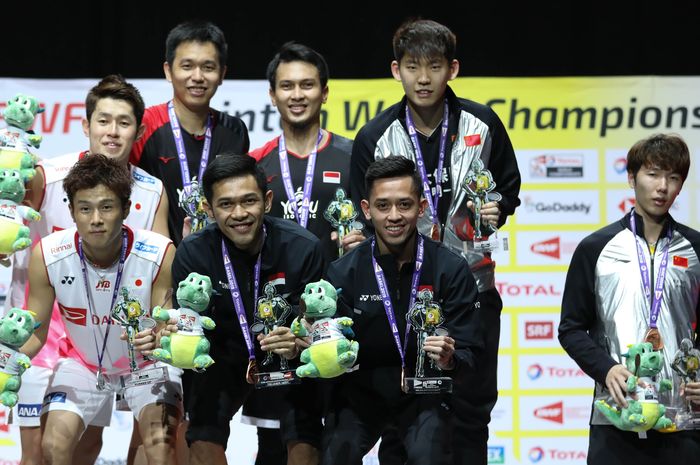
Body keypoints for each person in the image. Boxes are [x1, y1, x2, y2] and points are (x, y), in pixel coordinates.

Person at [349, 18, 521, 464]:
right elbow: (363, 211)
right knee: (401, 408)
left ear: (453, 69)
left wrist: (497, 207)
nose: (423, 78)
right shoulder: (375, 135)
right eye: (412, 66)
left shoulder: (482, 124)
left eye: (434, 66)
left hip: (473, 289)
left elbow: (508, 187)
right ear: (395, 70)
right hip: (402, 292)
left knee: (472, 408)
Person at [10, 74, 169, 465]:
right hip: (44, 332)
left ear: (138, 130)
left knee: (90, 445)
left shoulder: (151, 191)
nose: (112, 132)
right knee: (40, 452)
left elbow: (162, 270)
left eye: (123, 122)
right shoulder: (48, 175)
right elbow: (10, 225)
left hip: (114, 334)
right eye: (103, 120)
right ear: (85, 126)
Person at [322, 156, 482, 465]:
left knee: (429, 456)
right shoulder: (343, 273)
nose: (394, 216)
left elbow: (472, 351)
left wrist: (451, 359)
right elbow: (328, 345)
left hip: (425, 394)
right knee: (335, 456)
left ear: (421, 207)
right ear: (367, 210)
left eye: (404, 205)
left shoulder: (450, 269)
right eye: (383, 206)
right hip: (360, 394)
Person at [249, 41, 363, 465]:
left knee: (338, 442)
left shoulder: (354, 157)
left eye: (307, 85)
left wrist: (364, 240)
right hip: (278, 323)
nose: (297, 94)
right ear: (272, 94)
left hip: (341, 315)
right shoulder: (256, 164)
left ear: (325, 92)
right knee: (275, 445)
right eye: (287, 86)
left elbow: (380, 225)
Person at [171, 153, 324, 465]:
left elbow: (320, 324)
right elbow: (188, 324)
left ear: (267, 201)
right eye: (226, 204)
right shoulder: (193, 252)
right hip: (222, 354)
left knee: (305, 433)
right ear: (207, 209)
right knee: (201, 428)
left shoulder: (303, 247)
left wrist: (299, 342)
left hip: (287, 355)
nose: (239, 214)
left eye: (249, 201)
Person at [558, 133, 700, 465]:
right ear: (631, 177)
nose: (662, 186)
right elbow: (571, 329)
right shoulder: (595, 249)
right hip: (616, 416)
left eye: (673, 177)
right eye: (653, 174)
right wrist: (606, 369)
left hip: (683, 419)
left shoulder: (696, 250)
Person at [130, 20, 250, 246]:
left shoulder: (234, 131)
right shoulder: (144, 125)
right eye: (187, 66)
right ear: (168, 70)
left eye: (208, 67)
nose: (197, 76)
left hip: (220, 261)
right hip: (157, 262)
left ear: (222, 73)